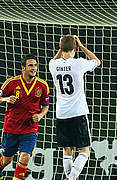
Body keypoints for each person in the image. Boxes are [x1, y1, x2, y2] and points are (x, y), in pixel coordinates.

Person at [49, 35, 101, 180]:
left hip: (61, 114)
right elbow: (97, 62)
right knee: (84, 151)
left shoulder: (52, 65)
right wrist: (82, 46)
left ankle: (69, 176)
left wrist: (61, 49)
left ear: (60, 48)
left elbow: (55, 59)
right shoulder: (79, 63)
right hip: (78, 113)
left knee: (67, 150)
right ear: (75, 48)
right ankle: (71, 178)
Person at [0, 54, 50, 180]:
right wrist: (6, 99)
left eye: (35, 65)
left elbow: (46, 106)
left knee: (25, 157)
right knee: (6, 161)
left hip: (29, 129)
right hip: (11, 128)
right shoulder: (11, 83)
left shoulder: (42, 85)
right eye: (30, 65)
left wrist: (40, 115)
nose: (34, 68)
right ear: (23, 68)